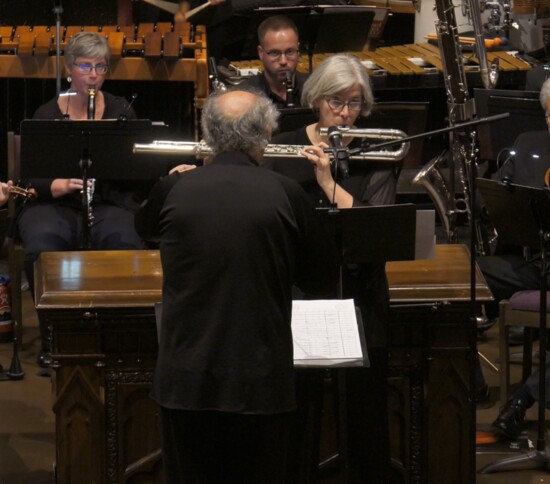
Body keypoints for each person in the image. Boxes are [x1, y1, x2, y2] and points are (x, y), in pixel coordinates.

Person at [134, 88, 337, 482]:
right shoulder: (289, 194)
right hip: (260, 381)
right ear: (265, 133)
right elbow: (320, 278)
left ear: (208, 132)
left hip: (186, 379)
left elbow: (145, 229)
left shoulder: (172, 189)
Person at [266, 52, 397, 483]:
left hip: (361, 294)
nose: (344, 114)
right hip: (301, 294)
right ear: (316, 100)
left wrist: (327, 183)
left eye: (354, 104)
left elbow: (374, 230)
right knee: (297, 413)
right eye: (335, 103)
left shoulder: (378, 149)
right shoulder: (281, 146)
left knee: (364, 415)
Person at [17, 32, 146, 369]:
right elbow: (29, 177)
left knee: (125, 242)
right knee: (44, 244)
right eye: (85, 66)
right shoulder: (47, 114)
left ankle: (118, 339)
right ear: (69, 68)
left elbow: (136, 171)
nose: (93, 75)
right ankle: (55, 340)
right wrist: (56, 185)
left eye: (100, 67)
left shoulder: (121, 111)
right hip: (55, 203)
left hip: (109, 201)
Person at [477, 77, 550, 439]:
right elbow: (500, 202)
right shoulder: (529, 144)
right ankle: (467, 379)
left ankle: (522, 399)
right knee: (466, 273)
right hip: (536, 263)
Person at [240, 15, 308, 108]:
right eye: (275, 53)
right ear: (261, 53)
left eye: (290, 52)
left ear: (298, 49)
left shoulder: (315, 90)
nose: (283, 61)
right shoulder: (244, 96)